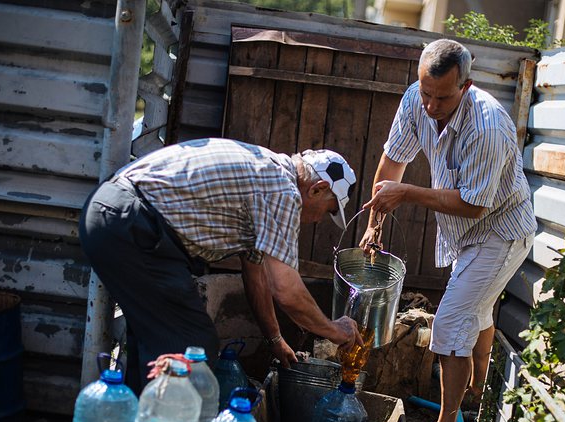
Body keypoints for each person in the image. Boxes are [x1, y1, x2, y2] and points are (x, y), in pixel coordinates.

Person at [359, 39, 537, 422]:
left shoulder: (488, 126)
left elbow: (475, 204)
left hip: (500, 230)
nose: (431, 105)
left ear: (466, 85)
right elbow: (391, 166)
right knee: (478, 313)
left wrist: (409, 194)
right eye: (425, 93)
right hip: (467, 233)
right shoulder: (416, 99)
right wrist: (373, 224)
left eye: (442, 97)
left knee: (451, 322)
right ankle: (474, 393)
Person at [80, 138, 363, 392]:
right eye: (326, 212)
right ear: (318, 188)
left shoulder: (266, 174)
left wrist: (275, 339)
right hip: (132, 224)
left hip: (113, 213)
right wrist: (336, 331)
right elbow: (286, 290)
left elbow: (257, 276)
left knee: (157, 348)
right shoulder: (283, 191)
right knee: (191, 347)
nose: (317, 221)